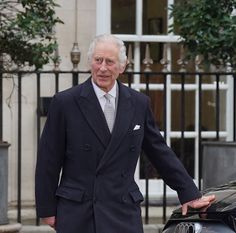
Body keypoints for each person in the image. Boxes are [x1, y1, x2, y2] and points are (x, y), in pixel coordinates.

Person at [35, 34, 215, 233]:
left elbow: (159, 151)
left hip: (122, 210)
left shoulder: (139, 103)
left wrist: (189, 193)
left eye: (109, 62)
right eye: (98, 60)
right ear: (90, 62)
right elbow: (48, 160)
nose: (102, 68)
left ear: (122, 66)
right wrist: (47, 209)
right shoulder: (65, 102)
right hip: (79, 211)